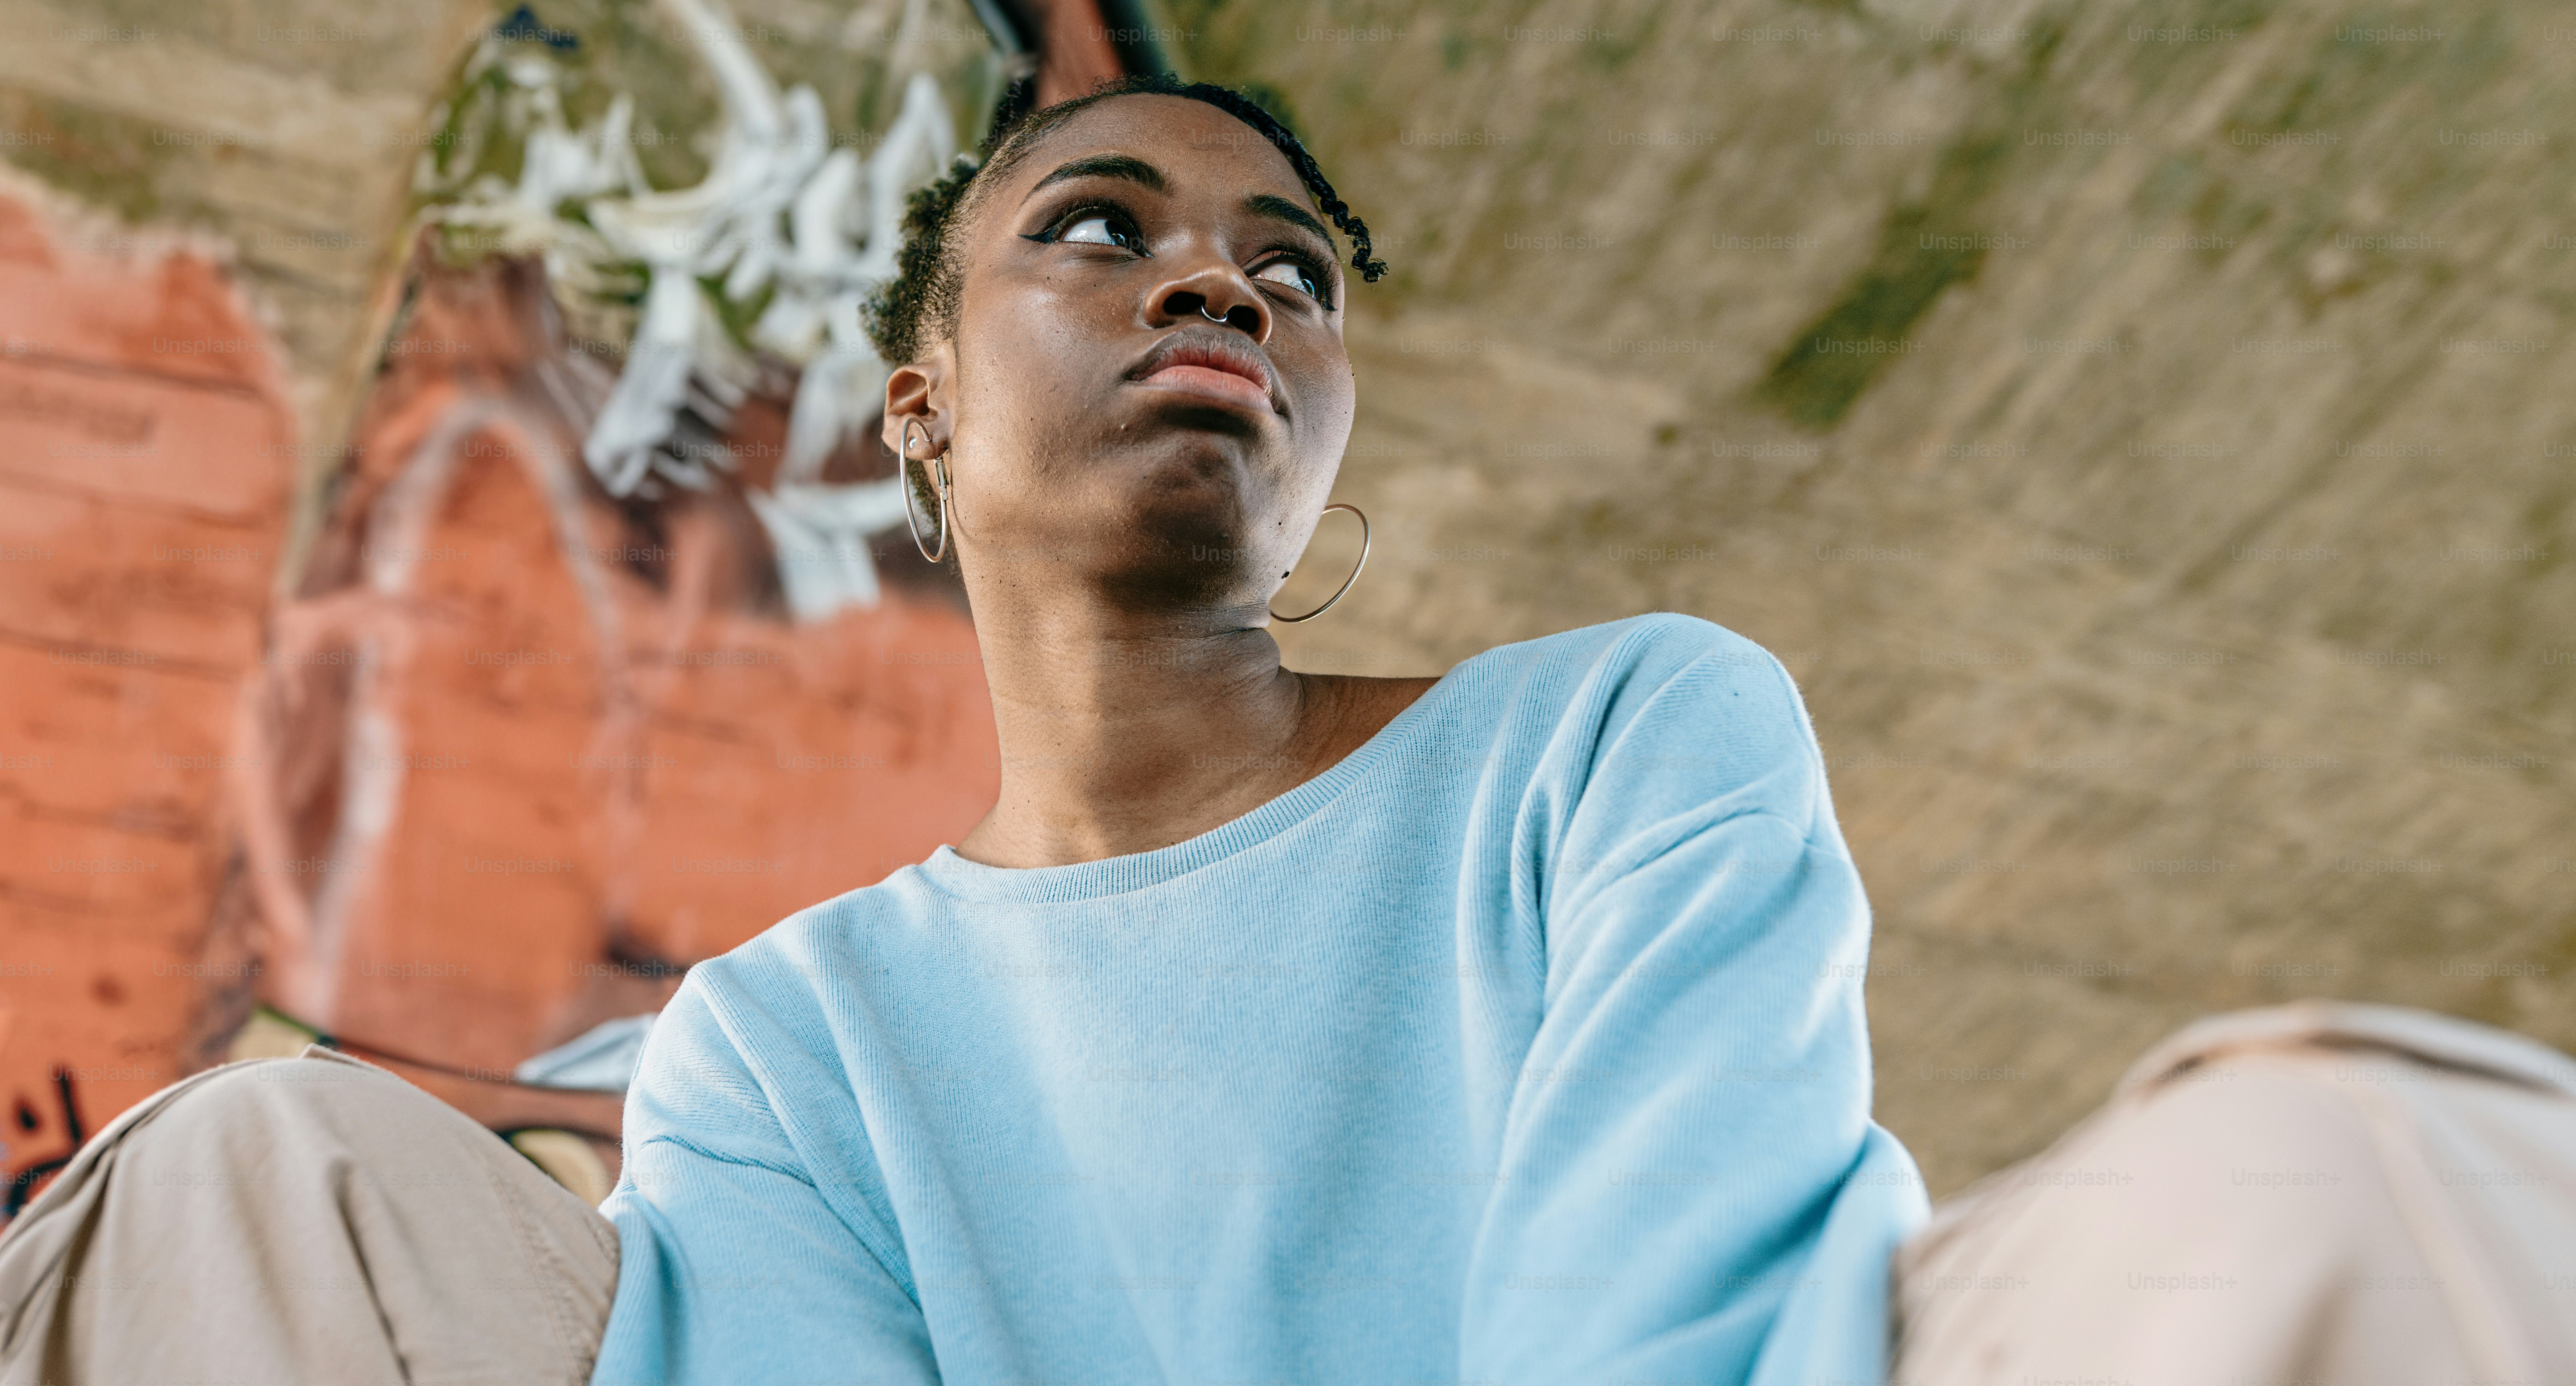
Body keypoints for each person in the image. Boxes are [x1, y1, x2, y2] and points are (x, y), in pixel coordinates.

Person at [6, 73, 2575, 1386]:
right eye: (1101, 229)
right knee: (257, 1165)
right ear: (916, 402)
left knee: (2325, 1154)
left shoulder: (1624, 734)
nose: (1217, 284)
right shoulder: (786, 1043)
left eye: (1291, 271)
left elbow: (1668, 1318)